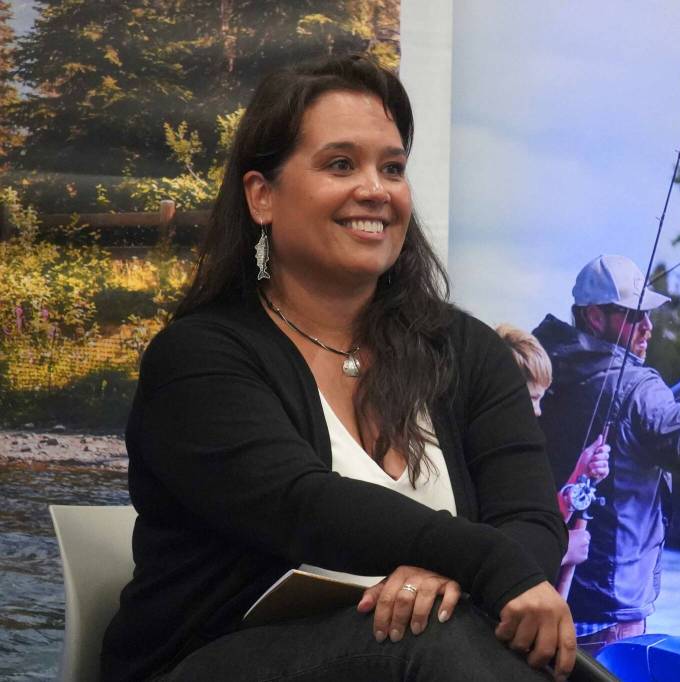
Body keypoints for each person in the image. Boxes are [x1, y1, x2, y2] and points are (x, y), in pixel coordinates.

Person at [101, 55, 576, 682]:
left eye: (394, 167)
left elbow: (532, 522)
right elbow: (304, 505)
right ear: (262, 196)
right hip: (213, 657)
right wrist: (483, 564)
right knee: (436, 640)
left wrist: (447, 576)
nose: (376, 190)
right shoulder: (198, 359)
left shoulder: (467, 350)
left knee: (467, 637)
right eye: (340, 164)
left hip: (432, 651)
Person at [532, 254, 680, 655]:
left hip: (540, 601)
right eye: (635, 316)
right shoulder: (638, 389)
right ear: (595, 316)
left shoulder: (536, 368)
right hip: (610, 620)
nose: (648, 327)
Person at [494, 324, 611, 568]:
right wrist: (563, 550)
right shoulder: (486, 459)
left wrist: (580, 474)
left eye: (541, 399)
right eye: (533, 399)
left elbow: (539, 527)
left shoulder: (517, 452)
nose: (538, 411)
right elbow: (495, 555)